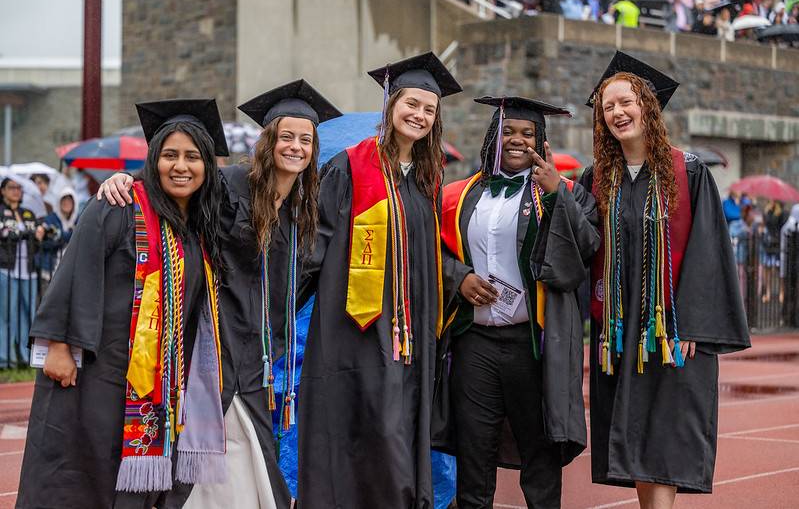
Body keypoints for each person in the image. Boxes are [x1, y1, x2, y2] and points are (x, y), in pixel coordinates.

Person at [98, 80, 343, 509]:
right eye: (287, 136)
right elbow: (179, 184)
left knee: (245, 439)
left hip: (262, 351)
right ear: (268, 141)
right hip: (213, 337)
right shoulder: (230, 185)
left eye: (306, 140)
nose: (296, 147)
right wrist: (128, 179)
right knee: (215, 433)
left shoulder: (302, 209)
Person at [16, 98, 229, 508]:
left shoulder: (200, 228)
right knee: (84, 472)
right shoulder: (120, 204)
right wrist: (59, 344)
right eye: (169, 155)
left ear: (207, 166)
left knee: (135, 486)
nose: (180, 166)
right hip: (98, 372)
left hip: (160, 383)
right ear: (154, 159)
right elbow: (77, 266)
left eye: (192, 157)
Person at [582, 52, 750, 507]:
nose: (617, 112)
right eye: (608, 106)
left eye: (626, 102)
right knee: (632, 431)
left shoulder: (688, 170)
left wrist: (693, 322)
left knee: (666, 432)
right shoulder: (597, 178)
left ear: (649, 107)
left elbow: (709, 249)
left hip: (670, 329)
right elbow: (582, 245)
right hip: (618, 331)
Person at [295, 52, 462, 509]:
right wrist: (273, 305)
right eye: (412, 104)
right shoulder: (350, 167)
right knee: (372, 429)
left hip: (411, 336)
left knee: (402, 428)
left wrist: (461, 279)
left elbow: (430, 252)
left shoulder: (426, 179)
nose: (420, 115)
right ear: (390, 106)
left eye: (429, 109)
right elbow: (316, 245)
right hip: (356, 332)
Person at [436, 96, 599, 508]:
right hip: (474, 342)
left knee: (539, 456)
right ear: (493, 137)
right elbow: (431, 252)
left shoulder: (565, 194)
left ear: (541, 142)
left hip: (532, 344)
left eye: (528, 134)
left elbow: (586, 250)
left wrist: (556, 195)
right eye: (508, 132)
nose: (517, 141)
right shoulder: (460, 195)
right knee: (475, 453)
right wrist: (460, 279)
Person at [0, 177, 44, 368]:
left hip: (29, 271)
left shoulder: (28, 213)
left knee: (29, 314)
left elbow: (36, 240)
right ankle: (5, 358)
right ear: (3, 191)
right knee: (7, 314)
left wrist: (40, 235)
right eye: (12, 188)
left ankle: (27, 358)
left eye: (19, 188)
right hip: (6, 270)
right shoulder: (1, 212)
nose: (16, 191)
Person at [36, 187, 79, 281]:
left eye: (69, 201)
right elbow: (46, 242)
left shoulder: (78, 220)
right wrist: (71, 234)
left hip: (71, 269)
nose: (66, 203)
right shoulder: (50, 219)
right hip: (50, 268)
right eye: (63, 200)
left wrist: (60, 235)